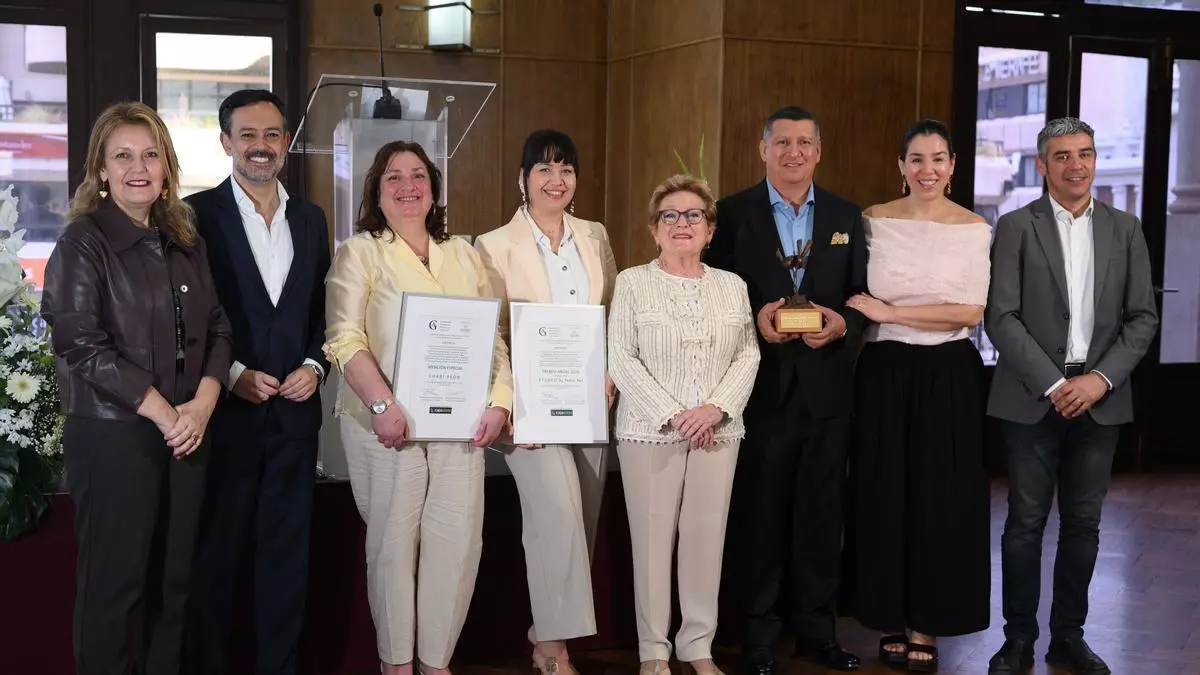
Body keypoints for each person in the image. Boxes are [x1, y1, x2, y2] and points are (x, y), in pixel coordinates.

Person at [40, 101, 233, 675]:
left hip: (185, 434)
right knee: (116, 590)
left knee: (173, 589)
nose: (138, 167)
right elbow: (80, 343)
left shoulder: (184, 239)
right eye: (122, 156)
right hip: (114, 436)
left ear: (167, 167)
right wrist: (162, 411)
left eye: (150, 154)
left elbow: (219, 327)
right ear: (100, 169)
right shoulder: (83, 243)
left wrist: (201, 403)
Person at [323, 140, 512, 675]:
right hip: (387, 424)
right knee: (393, 548)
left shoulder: (466, 255)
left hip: (461, 424)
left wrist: (499, 403)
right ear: (376, 193)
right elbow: (343, 338)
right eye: (393, 178)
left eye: (419, 176)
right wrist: (382, 404)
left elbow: (494, 338)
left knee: (457, 544)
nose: (408, 187)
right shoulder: (361, 252)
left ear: (433, 188)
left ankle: (435, 663)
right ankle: (397, 664)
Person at [985, 117, 1158, 675]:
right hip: (1034, 397)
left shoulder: (1126, 229)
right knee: (1024, 524)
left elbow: (1142, 318)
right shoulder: (1015, 225)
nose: (1076, 165)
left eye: (1084, 153)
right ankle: (1017, 640)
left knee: (1084, 525)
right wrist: (1058, 384)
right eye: (1062, 156)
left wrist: (1097, 381)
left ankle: (1069, 638)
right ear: (1042, 165)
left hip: (1101, 397)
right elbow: (1001, 317)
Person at [704, 106, 868, 673]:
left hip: (827, 393)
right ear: (762, 148)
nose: (793, 152)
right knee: (762, 512)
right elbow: (714, 295)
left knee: (822, 515)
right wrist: (756, 318)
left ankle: (819, 631)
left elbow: (863, 297)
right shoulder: (729, 214)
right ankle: (758, 635)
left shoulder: (848, 216)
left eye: (804, 143)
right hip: (761, 388)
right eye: (782, 143)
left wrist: (844, 324)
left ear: (819, 151)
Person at [185, 89, 331, 675]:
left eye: (272, 135)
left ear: (287, 143)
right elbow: (190, 318)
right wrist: (233, 374)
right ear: (226, 144)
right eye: (248, 135)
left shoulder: (311, 218)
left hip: (295, 423)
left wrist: (316, 365)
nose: (261, 146)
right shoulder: (195, 216)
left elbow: (327, 309)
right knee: (216, 564)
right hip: (225, 419)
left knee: (286, 565)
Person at [842, 119, 991, 671]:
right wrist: (883, 320)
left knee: (940, 494)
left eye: (938, 159)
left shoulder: (974, 227)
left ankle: (928, 622)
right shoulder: (873, 221)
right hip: (884, 365)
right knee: (883, 491)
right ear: (900, 166)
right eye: (916, 159)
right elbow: (852, 292)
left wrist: (892, 311)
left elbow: (970, 312)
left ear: (952, 166)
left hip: (948, 367)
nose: (927, 169)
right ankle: (888, 618)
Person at [473, 129, 618, 675]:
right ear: (523, 178)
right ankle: (555, 652)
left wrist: (608, 369)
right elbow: (495, 334)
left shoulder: (594, 235)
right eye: (544, 169)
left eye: (566, 169)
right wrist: (511, 403)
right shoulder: (492, 245)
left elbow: (607, 316)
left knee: (580, 519)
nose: (556, 180)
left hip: (585, 402)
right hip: (528, 410)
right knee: (555, 513)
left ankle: (542, 633)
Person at [609, 174, 760, 675]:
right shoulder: (632, 282)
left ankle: (698, 646)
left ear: (710, 230)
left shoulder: (732, 286)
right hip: (649, 430)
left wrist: (714, 408)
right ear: (654, 229)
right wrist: (676, 413)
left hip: (719, 431)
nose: (682, 224)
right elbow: (622, 360)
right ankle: (653, 651)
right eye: (669, 215)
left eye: (693, 215)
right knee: (651, 543)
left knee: (705, 539)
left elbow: (747, 355)